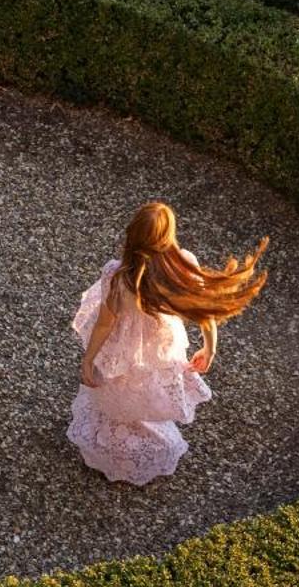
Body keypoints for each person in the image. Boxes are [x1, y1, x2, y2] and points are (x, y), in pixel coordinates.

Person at [69, 201, 268, 484]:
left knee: (120, 390)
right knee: (148, 389)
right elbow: (203, 309)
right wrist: (209, 346)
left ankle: (115, 442)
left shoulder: (117, 275)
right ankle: (143, 433)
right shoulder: (183, 266)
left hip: (123, 347)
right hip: (160, 349)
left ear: (132, 236)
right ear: (168, 237)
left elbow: (105, 322)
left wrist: (89, 358)